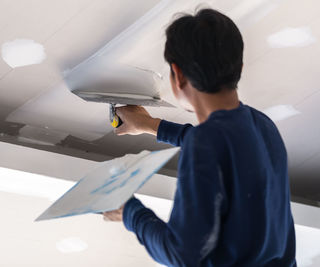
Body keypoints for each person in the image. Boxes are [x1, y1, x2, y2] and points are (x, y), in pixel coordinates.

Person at [102, 8, 296, 267]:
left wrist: (130, 212)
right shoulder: (262, 125)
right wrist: (151, 125)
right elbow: (222, 148)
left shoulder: (206, 143)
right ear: (239, 66)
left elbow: (181, 254)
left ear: (178, 75)